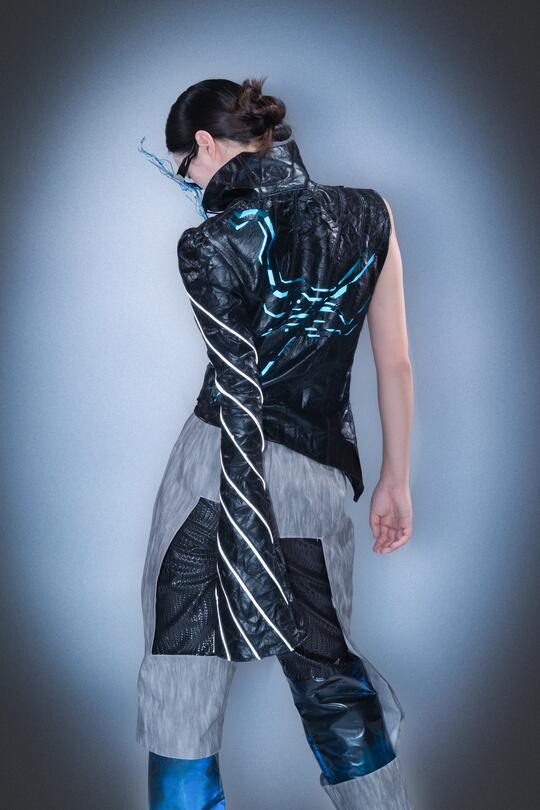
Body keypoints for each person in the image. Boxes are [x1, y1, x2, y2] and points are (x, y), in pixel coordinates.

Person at [135, 76, 414, 809]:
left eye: (185, 169)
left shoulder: (207, 244)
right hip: (316, 484)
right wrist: (395, 479)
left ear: (204, 144)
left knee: (182, 679)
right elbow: (395, 362)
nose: (192, 187)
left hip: (213, 476)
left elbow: (238, 390)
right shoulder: (370, 213)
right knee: (331, 681)